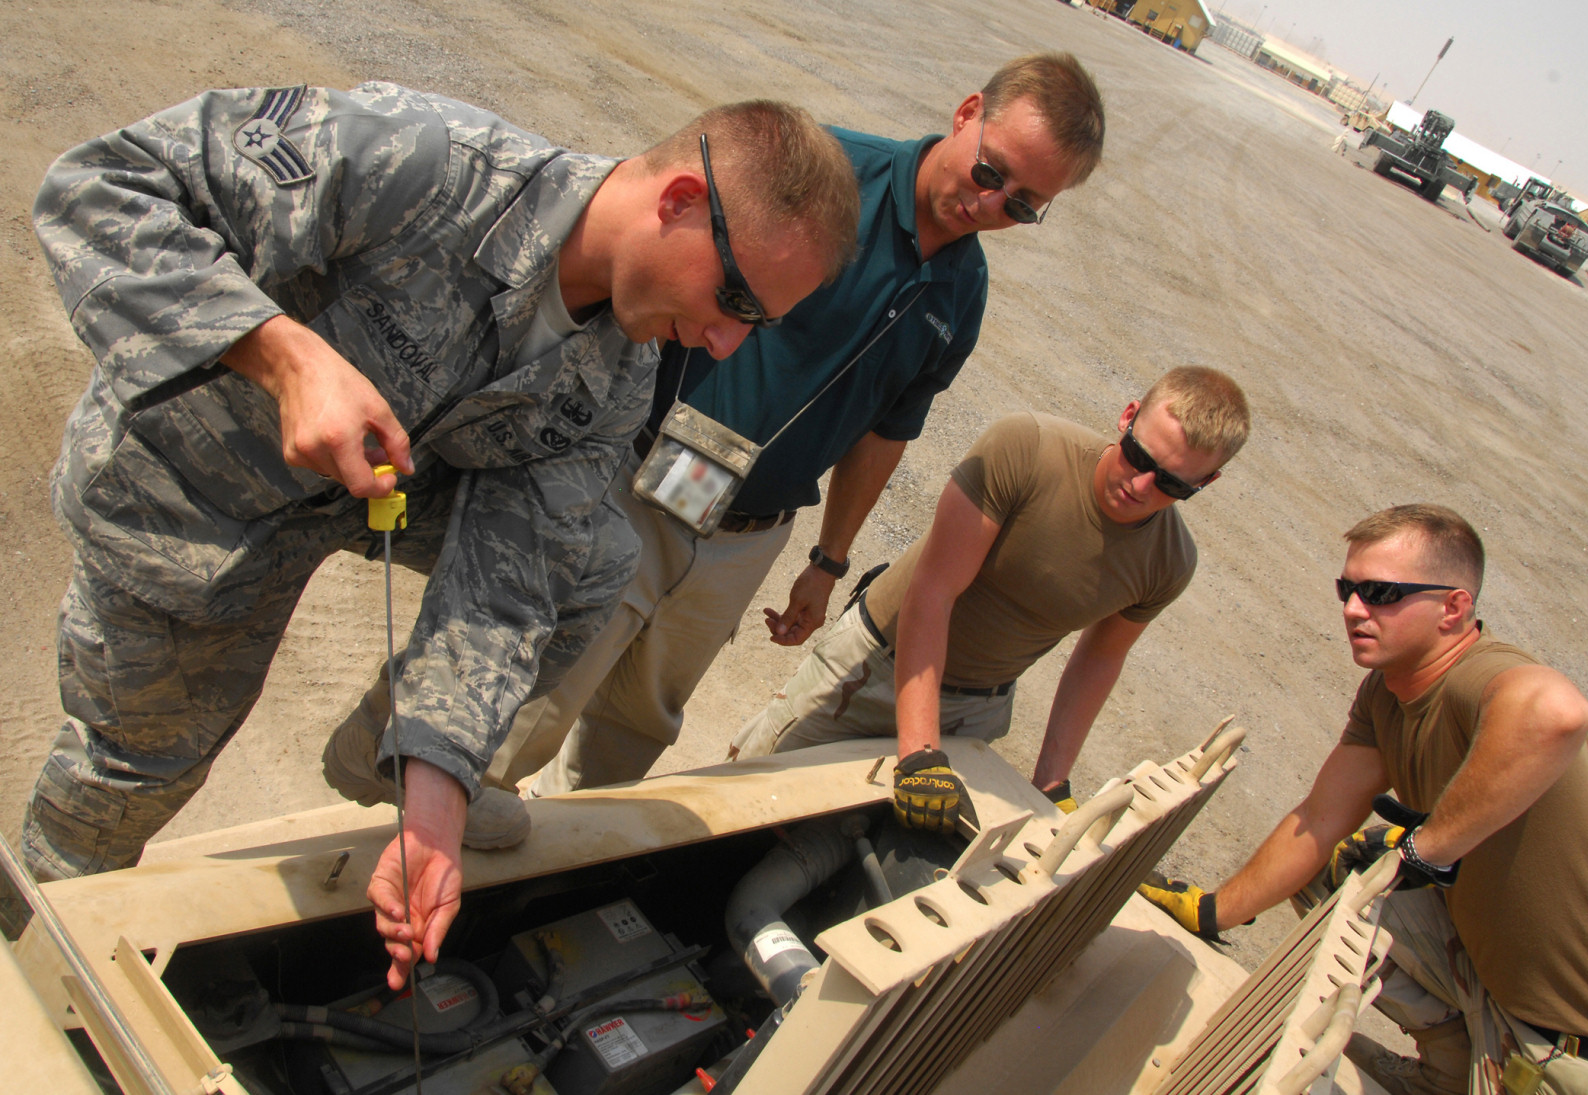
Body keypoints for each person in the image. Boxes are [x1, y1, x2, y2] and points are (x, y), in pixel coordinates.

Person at [23, 81, 860, 988]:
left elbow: (514, 579)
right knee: (140, 765)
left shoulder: (621, 376)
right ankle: (29, 943)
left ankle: (394, 748)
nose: (727, 343)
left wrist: (435, 796)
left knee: (595, 557)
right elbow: (100, 187)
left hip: (364, 490)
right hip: (196, 491)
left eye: (759, 321)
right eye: (734, 297)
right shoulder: (422, 161)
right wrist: (281, 355)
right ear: (680, 203)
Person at [324, 52, 1108, 820]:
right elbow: (665, 262)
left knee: (642, 719)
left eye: (1024, 203)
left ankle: (561, 848)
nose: (991, 202)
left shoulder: (961, 296)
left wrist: (827, 562)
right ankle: (418, 820)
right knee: (540, 687)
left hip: (746, 535)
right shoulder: (827, 182)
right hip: (638, 478)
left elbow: (885, 431)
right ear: (967, 113)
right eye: (990, 171)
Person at [1138, 505, 1588, 1095]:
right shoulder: (1387, 692)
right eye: (1348, 588)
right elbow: (1320, 818)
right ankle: (1450, 1069)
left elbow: (1560, 714)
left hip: (1565, 1040)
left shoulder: (1477, 675)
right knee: (1341, 870)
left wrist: (1425, 850)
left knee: (1386, 867)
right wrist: (1213, 910)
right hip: (1493, 979)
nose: (1354, 609)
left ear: (1453, 609)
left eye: (1381, 593)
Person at [729, 366, 1251, 833]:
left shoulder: (1168, 562)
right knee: (746, 803)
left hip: (976, 710)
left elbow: (1101, 656)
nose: (1140, 485)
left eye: (1172, 486)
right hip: (874, 665)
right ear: (1128, 416)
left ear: (1208, 481)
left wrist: (1051, 783)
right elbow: (933, 591)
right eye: (1138, 456)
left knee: (864, 845)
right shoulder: (1026, 449)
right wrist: (919, 753)